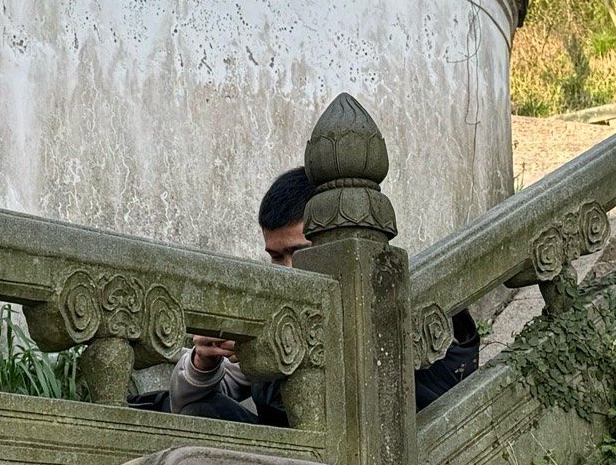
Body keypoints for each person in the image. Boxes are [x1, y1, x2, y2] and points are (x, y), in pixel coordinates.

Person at [145, 168, 479, 424]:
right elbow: (187, 401)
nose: (288, 269)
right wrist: (203, 364)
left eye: (299, 253)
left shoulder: (405, 307)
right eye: (276, 257)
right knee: (200, 411)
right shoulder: (277, 313)